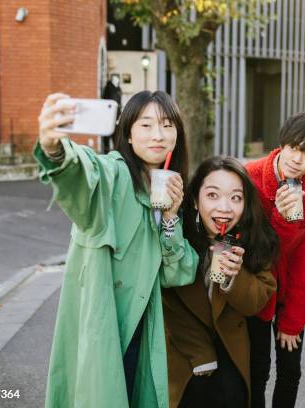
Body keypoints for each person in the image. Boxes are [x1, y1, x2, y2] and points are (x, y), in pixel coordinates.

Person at [36, 90, 198, 408]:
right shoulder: (115, 174)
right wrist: (54, 149)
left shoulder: (172, 189)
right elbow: (87, 175)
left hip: (142, 330)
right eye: (146, 125)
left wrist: (169, 218)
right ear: (128, 133)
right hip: (104, 327)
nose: (158, 135)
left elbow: (178, 273)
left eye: (167, 126)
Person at [163, 157, 278, 408]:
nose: (225, 208)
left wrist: (235, 277)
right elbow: (164, 300)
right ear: (194, 200)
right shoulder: (174, 237)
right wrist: (200, 354)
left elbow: (257, 300)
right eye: (213, 195)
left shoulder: (255, 239)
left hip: (230, 352)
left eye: (235, 198)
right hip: (184, 351)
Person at [245, 111, 305, 408]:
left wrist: (293, 320)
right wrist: (284, 220)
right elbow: (254, 250)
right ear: (283, 142)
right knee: (256, 372)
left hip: (291, 292)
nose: (298, 159)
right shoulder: (251, 177)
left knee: (290, 372)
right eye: (295, 147)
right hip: (255, 288)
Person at [101, 73, 123, 153]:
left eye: (117, 78)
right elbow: (105, 102)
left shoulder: (119, 89)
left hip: (116, 116)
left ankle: (116, 152)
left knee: (116, 136)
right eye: (115, 78)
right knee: (107, 135)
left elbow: (119, 103)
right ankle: (106, 152)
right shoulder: (108, 88)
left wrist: (119, 115)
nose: (117, 79)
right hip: (108, 116)